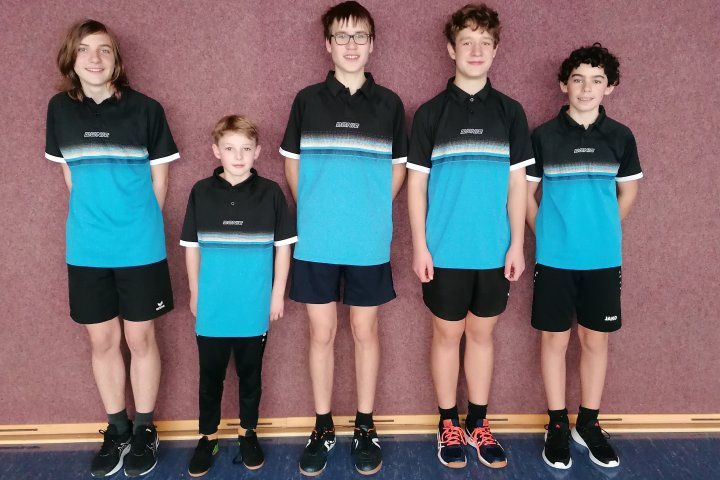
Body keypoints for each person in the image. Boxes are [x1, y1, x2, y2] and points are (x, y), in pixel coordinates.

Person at [45, 19, 179, 477]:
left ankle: (144, 430)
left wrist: (137, 226)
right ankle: (118, 429)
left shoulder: (147, 109)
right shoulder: (59, 110)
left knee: (141, 339)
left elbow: (160, 182)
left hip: (140, 247)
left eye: (104, 49)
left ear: (116, 59)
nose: (95, 58)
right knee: (101, 341)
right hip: (87, 249)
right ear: (72, 59)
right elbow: (71, 178)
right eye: (85, 50)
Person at [279, 1, 407, 475]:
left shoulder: (390, 104)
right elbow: (292, 165)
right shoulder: (307, 100)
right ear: (327, 44)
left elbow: (398, 170)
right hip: (316, 240)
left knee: (364, 331)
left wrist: (369, 209)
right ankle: (323, 426)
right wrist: (316, 210)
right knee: (321, 333)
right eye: (342, 36)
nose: (351, 45)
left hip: (368, 241)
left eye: (360, 36)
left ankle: (365, 426)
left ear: (372, 44)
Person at [406, 3, 534, 471]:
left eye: (485, 43)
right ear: (451, 49)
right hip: (443, 251)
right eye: (467, 42)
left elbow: (518, 185)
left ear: (495, 50)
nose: (475, 51)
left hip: (493, 251)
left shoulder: (511, 112)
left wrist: (517, 243)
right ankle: (448, 423)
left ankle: (478, 423)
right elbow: (416, 186)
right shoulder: (430, 114)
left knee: (482, 336)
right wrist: (420, 246)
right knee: (447, 335)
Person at [526, 43, 642, 470]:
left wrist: (600, 230)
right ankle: (557, 425)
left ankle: (588, 424)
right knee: (554, 341)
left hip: (603, 260)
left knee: (596, 341)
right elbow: (525, 194)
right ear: (564, 85)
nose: (586, 88)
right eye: (578, 79)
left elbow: (628, 192)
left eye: (596, 80)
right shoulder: (543, 136)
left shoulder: (621, 137)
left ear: (609, 87)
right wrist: (549, 234)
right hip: (554, 260)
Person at [181, 115, 296, 477]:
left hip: (253, 305)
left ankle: (248, 433)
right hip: (212, 306)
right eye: (230, 148)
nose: (238, 156)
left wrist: (277, 294)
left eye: (246, 148)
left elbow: (283, 248)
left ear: (258, 152)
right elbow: (191, 248)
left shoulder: (271, 193)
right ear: (216, 151)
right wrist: (195, 293)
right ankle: (208, 438)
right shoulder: (201, 192)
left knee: (250, 377)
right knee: (210, 378)